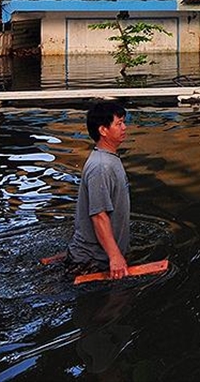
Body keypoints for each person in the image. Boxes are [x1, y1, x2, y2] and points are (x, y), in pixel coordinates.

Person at [67, 101, 131, 279]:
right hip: (92, 262)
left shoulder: (109, 159)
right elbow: (99, 216)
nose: (124, 127)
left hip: (100, 257)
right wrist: (115, 257)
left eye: (123, 122)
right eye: (119, 124)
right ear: (103, 130)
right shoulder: (101, 167)